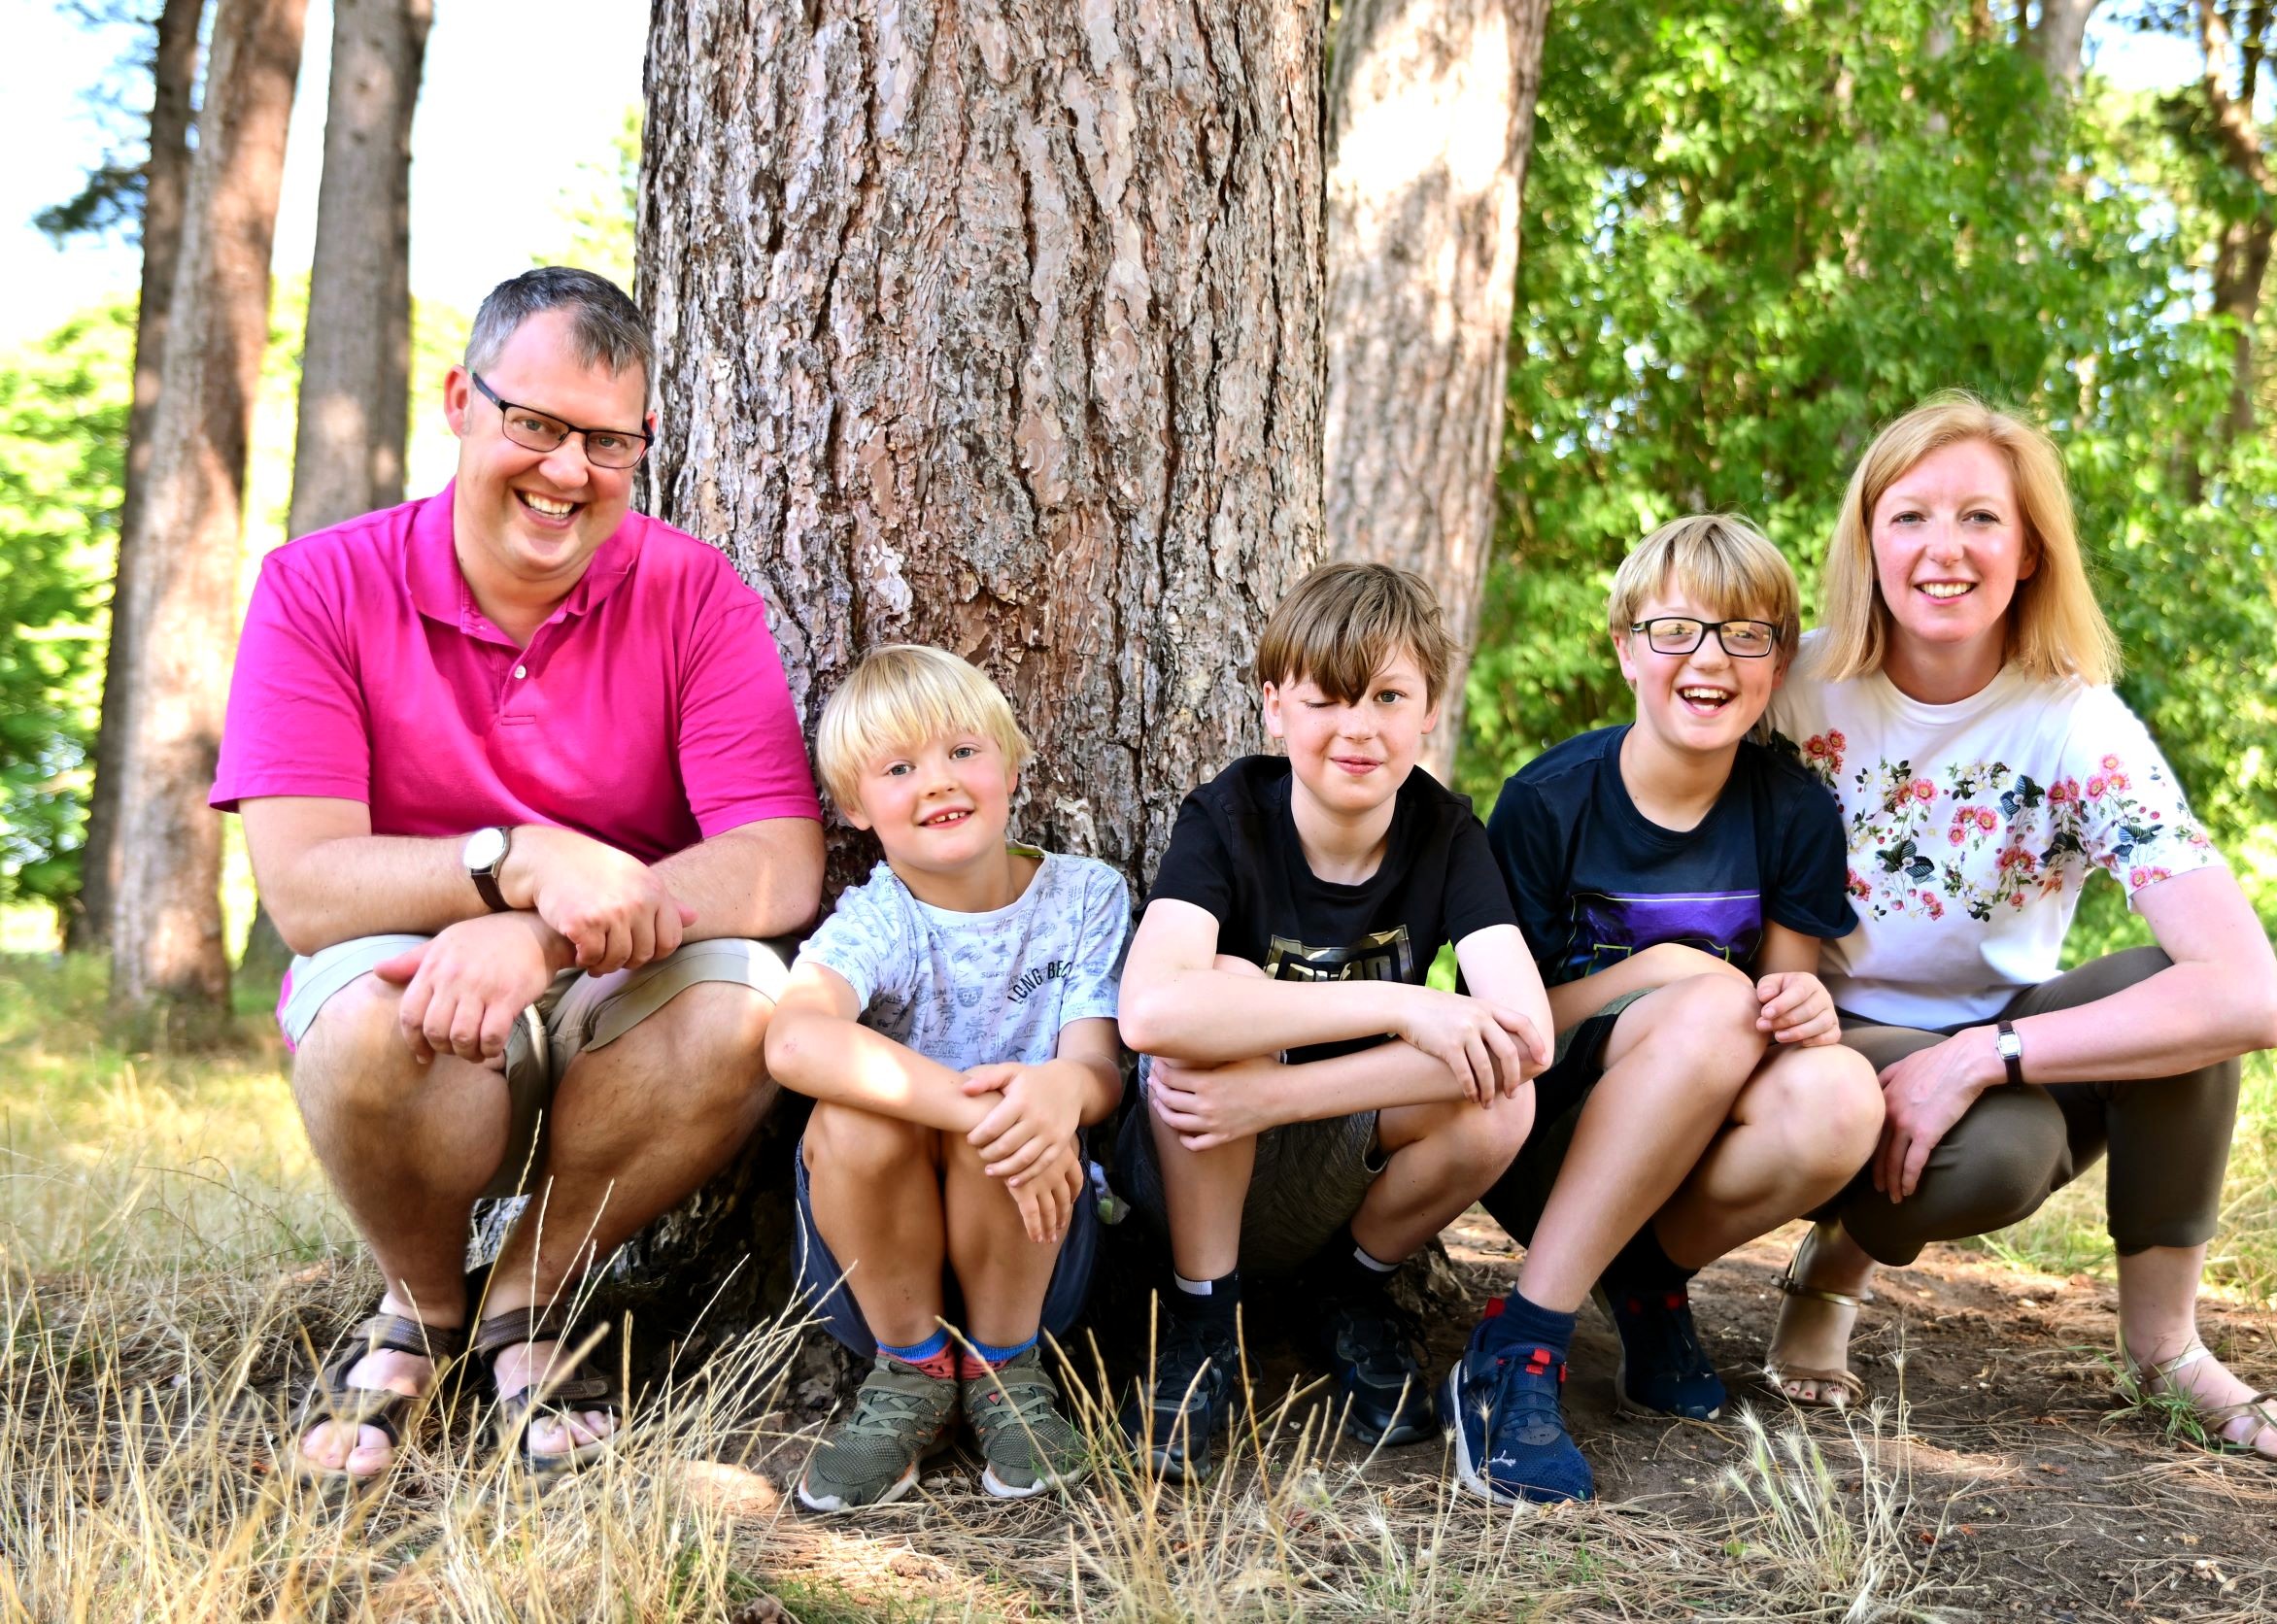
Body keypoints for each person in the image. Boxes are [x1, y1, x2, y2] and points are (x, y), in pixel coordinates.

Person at [217, 267, 826, 1485]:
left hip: (612, 1005)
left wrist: (538, 936)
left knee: (751, 1004)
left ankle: (525, 1303)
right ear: (460, 402)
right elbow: (305, 888)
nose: (566, 472)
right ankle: (421, 1310)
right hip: (409, 995)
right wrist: (515, 865)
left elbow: (780, 859)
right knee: (359, 1030)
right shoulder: (319, 584)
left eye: (607, 443)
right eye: (535, 426)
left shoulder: (694, 592)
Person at [1764, 392, 2277, 1461]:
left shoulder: (2077, 722)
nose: (1944, 548)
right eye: (1910, 516)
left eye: (1981, 518)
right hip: (1830, 1030)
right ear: (1868, 541)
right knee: (1997, 1165)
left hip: (2001, 1027)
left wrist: (1985, 1052)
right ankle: (1835, 1259)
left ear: (2029, 554)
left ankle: (2166, 1347)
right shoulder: (1797, 688)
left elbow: (2250, 994)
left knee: (2181, 995)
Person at [1444, 515, 1882, 1506]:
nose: (1710, 658)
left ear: (1778, 659)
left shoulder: (1794, 811)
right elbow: (1496, 1034)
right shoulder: (1550, 801)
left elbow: (1777, 1001)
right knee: (1714, 1003)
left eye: (1746, 633)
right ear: (1625, 648)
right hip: (1540, 1132)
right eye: (1676, 630)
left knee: (1843, 1096)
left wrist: (1799, 1005)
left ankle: (1643, 1286)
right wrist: (1664, 974)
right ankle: (1521, 1343)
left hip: (1692, 1126)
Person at [1113, 561, 1554, 1480]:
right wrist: (1400, 1003)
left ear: (1430, 709)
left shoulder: (1445, 834)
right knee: (1214, 996)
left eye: (1390, 696)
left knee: (1502, 1097)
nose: (1359, 727)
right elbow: (1150, 1009)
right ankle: (1202, 1318)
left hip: (1331, 1150)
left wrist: (1280, 1095)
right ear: (1276, 708)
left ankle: (1351, 1291)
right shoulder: (1230, 814)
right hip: (1195, 1149)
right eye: (1327, 700)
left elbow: (1528, 1037)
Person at [765, 646, 1126, 1510]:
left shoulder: (1084, 896)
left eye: (963, 751)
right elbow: (794, 1039)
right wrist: (972, 1110)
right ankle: (911, 1381)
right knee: (853, 1118)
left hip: (1038, 1242)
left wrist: (1060, 1092)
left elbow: (1099, 1068)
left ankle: (1008, 1373)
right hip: (879, 1270)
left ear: (1010, 759)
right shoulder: (879, 918)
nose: (939, 782)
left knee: (1028, 1111)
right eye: (899, 767)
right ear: (855, 807)